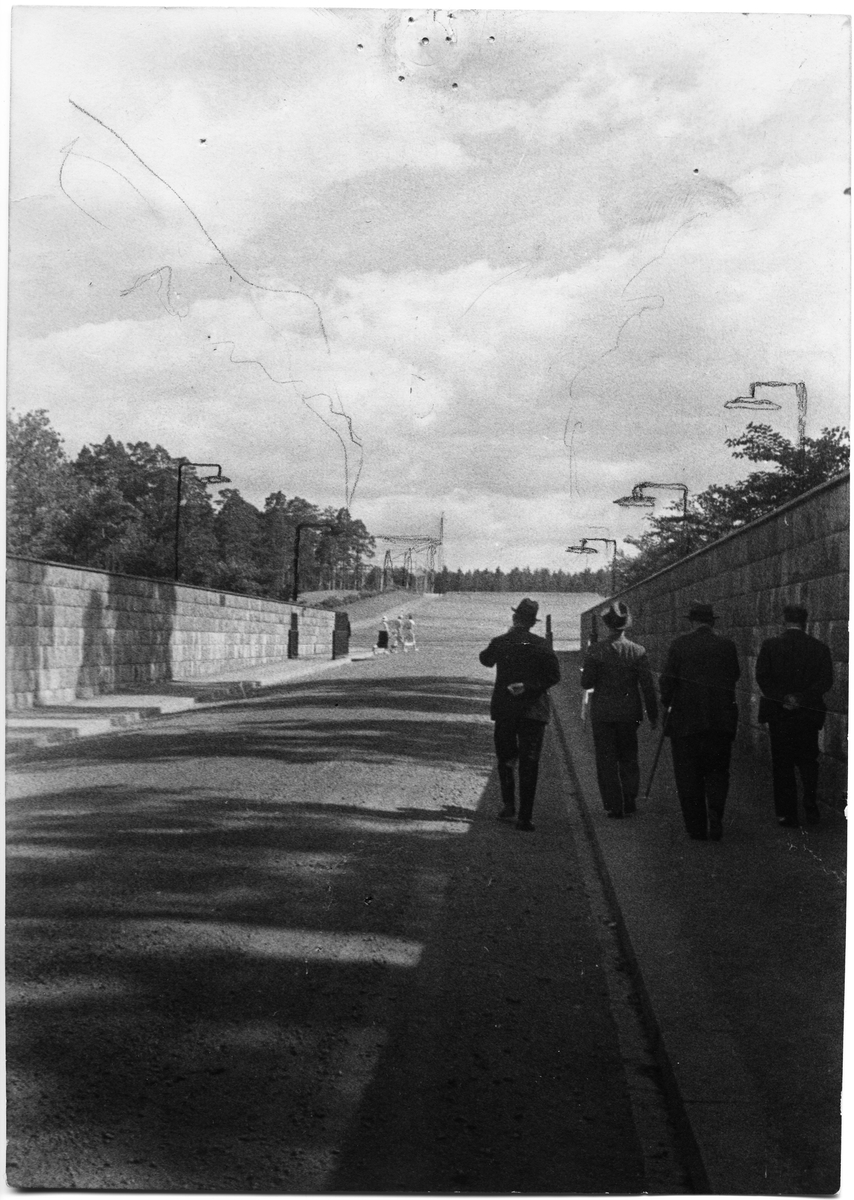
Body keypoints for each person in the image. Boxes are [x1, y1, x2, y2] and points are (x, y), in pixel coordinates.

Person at [659, 601, 740, 841]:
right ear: (711, 622)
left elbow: (667, 682)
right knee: (717, 771)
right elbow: (734, 675)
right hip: (720, 721)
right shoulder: (727, 646)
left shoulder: (679, 645)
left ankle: (696, 827)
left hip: (686, 723)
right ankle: (715, 813)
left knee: (688, 775)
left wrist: (667, 702)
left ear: (692, 622)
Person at [479, 598, 561, 831]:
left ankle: (508, 805)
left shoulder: (502, 641)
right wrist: (528, 686)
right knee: (530, 763)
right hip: (533, 711)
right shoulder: (541, 645)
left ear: (515, 618)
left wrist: (507, 636)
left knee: (506, 759)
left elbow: (485, 659)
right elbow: (554, 676)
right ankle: (525, 817)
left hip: (505, 710)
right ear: (533, 623)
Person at [755, 604, 834, 827]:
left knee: (783, 763)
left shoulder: (770, 645)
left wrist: (783, 698)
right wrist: (802, 698)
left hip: (779, 714)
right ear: (805, 622)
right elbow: (825, 681)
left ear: (784, 620)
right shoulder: (820, 648)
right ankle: (810, 802)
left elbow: (762, 678)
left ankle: (787, 813)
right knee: (808, 760)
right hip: (808, 714)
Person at [580, 601, 658, 818]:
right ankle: (629, 800)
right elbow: (647, 687)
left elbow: (586, 683)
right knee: (628, 757)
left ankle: (615, 804)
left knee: (606, 760)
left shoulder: (596, 650)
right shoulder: (638, 651)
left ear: (608, 625)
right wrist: (653, 715)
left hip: (603, 714)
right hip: (629, 714)